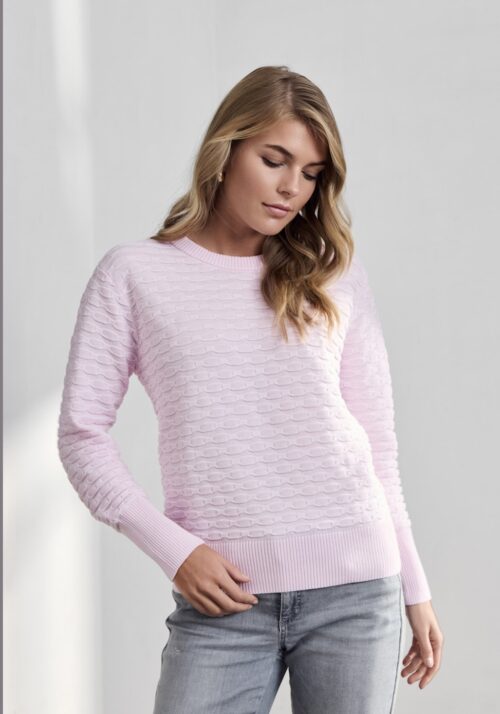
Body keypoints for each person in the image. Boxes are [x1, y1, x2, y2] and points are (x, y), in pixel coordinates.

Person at [57, 65, 444, 713]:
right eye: (274, 160)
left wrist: (415, 585)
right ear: (225, 149)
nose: (292, 188)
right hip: (223, 601)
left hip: (356, 590)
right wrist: (175, 551)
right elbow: (81, 435)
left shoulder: (333, 274)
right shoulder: (135, 274)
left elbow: (377, 445)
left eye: (312, 173)